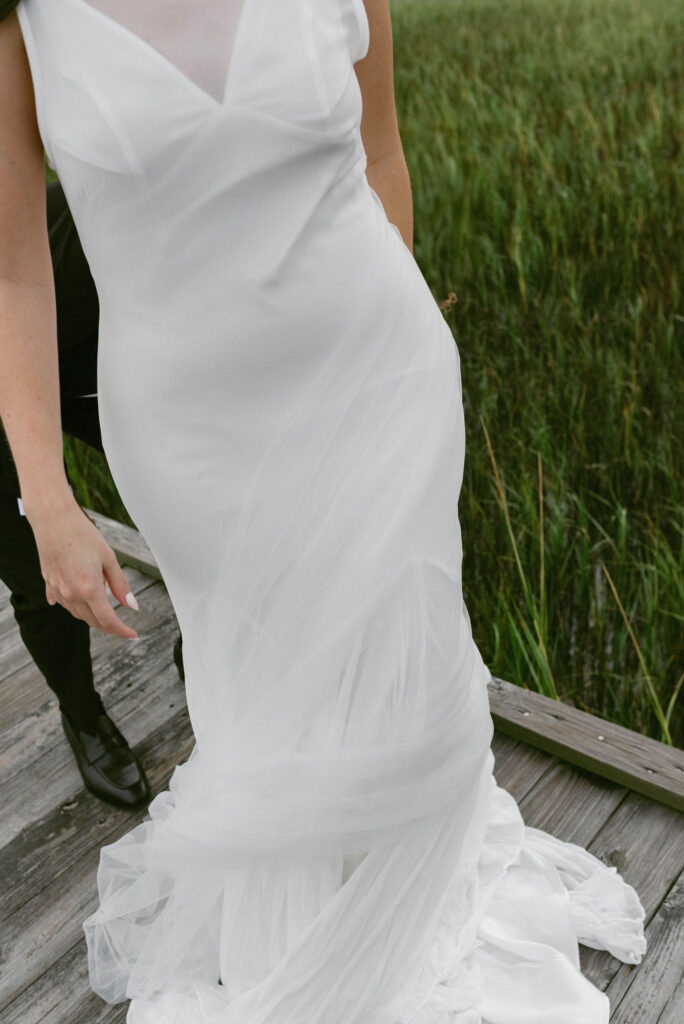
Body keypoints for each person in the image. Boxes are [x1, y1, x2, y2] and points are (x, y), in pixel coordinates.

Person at [0, 2, 647, 1022]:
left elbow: (381, 154)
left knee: (401, 676)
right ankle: (300, 940)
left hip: (379, 383)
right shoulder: (23, 25)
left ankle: (403, 898)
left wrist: (398, 358)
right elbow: (14, 271)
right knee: (265, 693)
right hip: (193, 442)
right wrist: (46, 495)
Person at [0, 177, 185, 808]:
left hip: (59, 311)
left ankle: (209, 640)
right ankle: (83, 715)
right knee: (33, 564)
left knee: (183, 470)